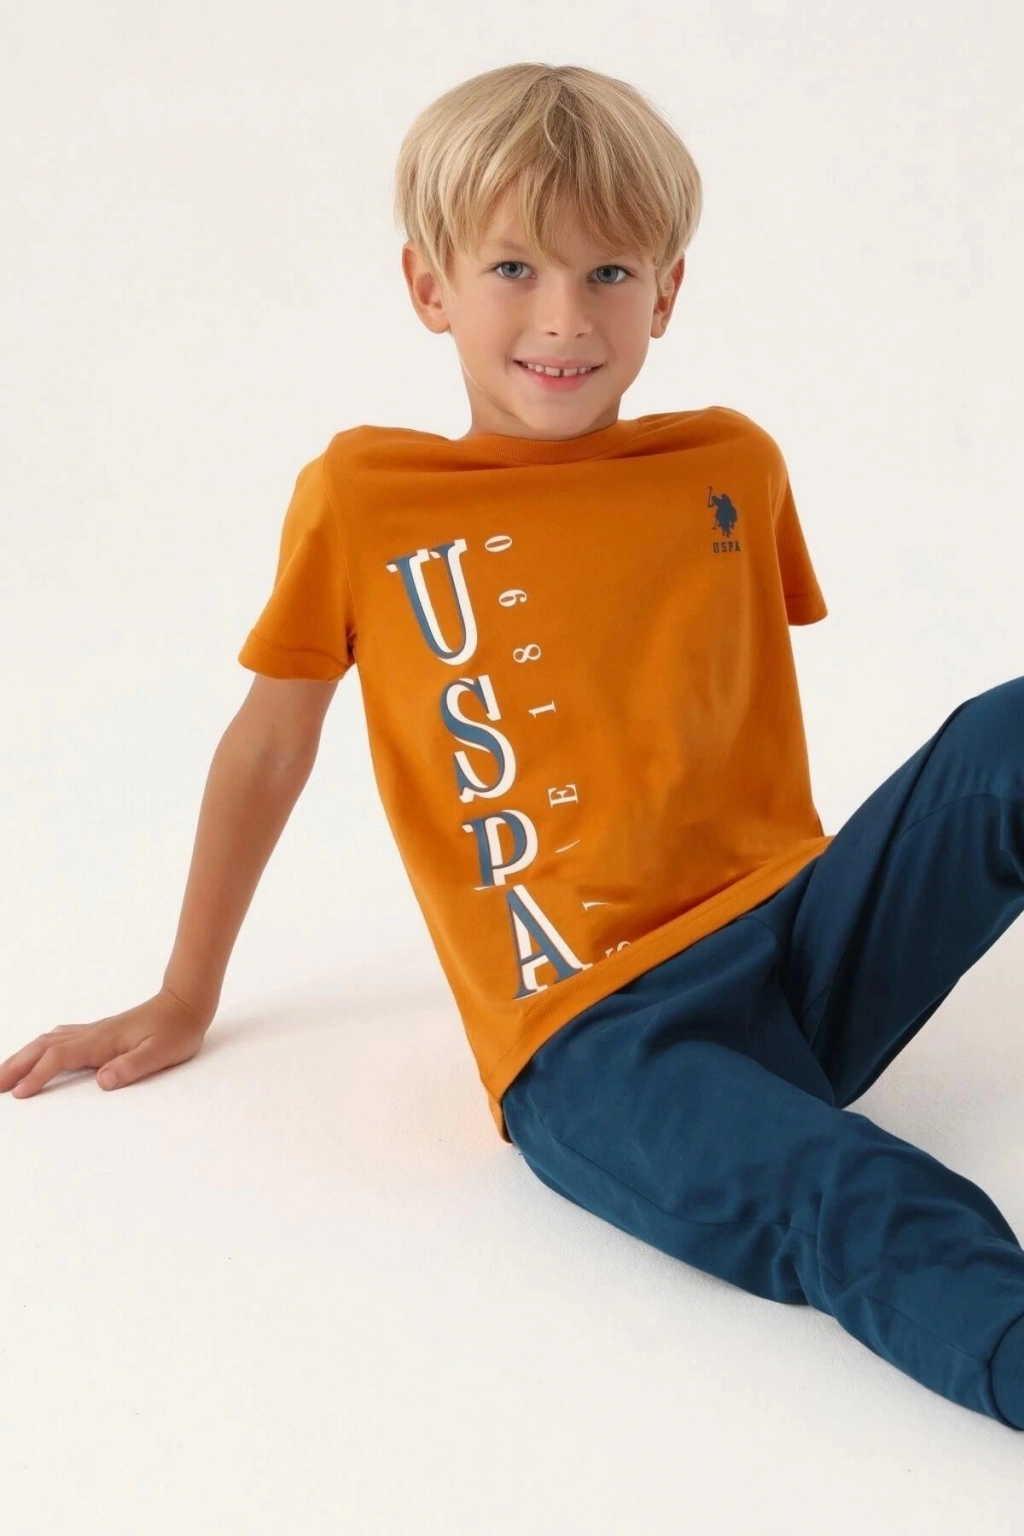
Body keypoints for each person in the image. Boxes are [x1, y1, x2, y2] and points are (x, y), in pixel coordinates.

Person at [4, 61, 1024, 1431]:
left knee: (1006, 734)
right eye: (512, 269)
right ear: (428, 287)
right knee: (859, 1195)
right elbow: (268, 746)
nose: (564, 317)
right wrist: (185, 994)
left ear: (667, 292)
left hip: (802, 938)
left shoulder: (733, 465)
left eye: (609, 272)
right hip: (596, 1038)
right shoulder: (367, 498)